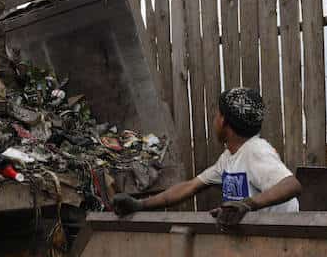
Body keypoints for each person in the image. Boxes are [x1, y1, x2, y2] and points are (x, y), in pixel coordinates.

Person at [112, 87, 302, 229]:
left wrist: (247, 204)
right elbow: (190, 186)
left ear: (224, 122)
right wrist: (140, 204)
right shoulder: (229, 158)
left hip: (279, 238)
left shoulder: (255, 151)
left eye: (217, 115)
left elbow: (292, 185)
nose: (214, 120)